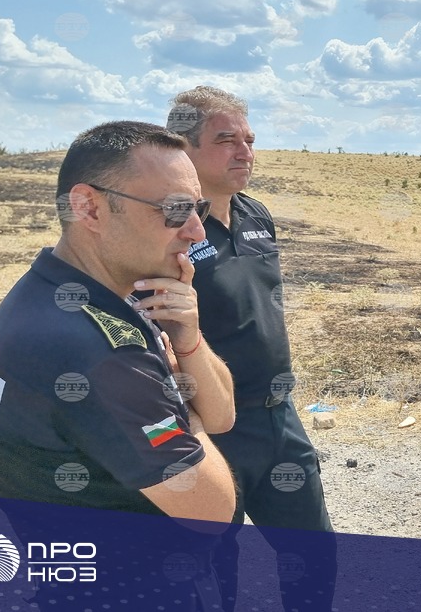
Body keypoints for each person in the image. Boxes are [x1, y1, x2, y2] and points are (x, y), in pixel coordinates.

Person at [0, 120, 238, 608]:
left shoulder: (56, 293)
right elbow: (212, 510)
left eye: (198, 209)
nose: (197, 232)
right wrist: (179, 404)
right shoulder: (97, 351)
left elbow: (223, 415)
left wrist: (188, 341)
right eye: (175, 210)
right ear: (89, 207)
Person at [168, 86, 337, 612]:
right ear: (185, 148)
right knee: (215, 571)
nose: (245, 152)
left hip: (278, 417)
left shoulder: (256, 215)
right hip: (209, 427)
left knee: (313, 554)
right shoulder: (170, 228)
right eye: (226, 140)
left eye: (249, 140)